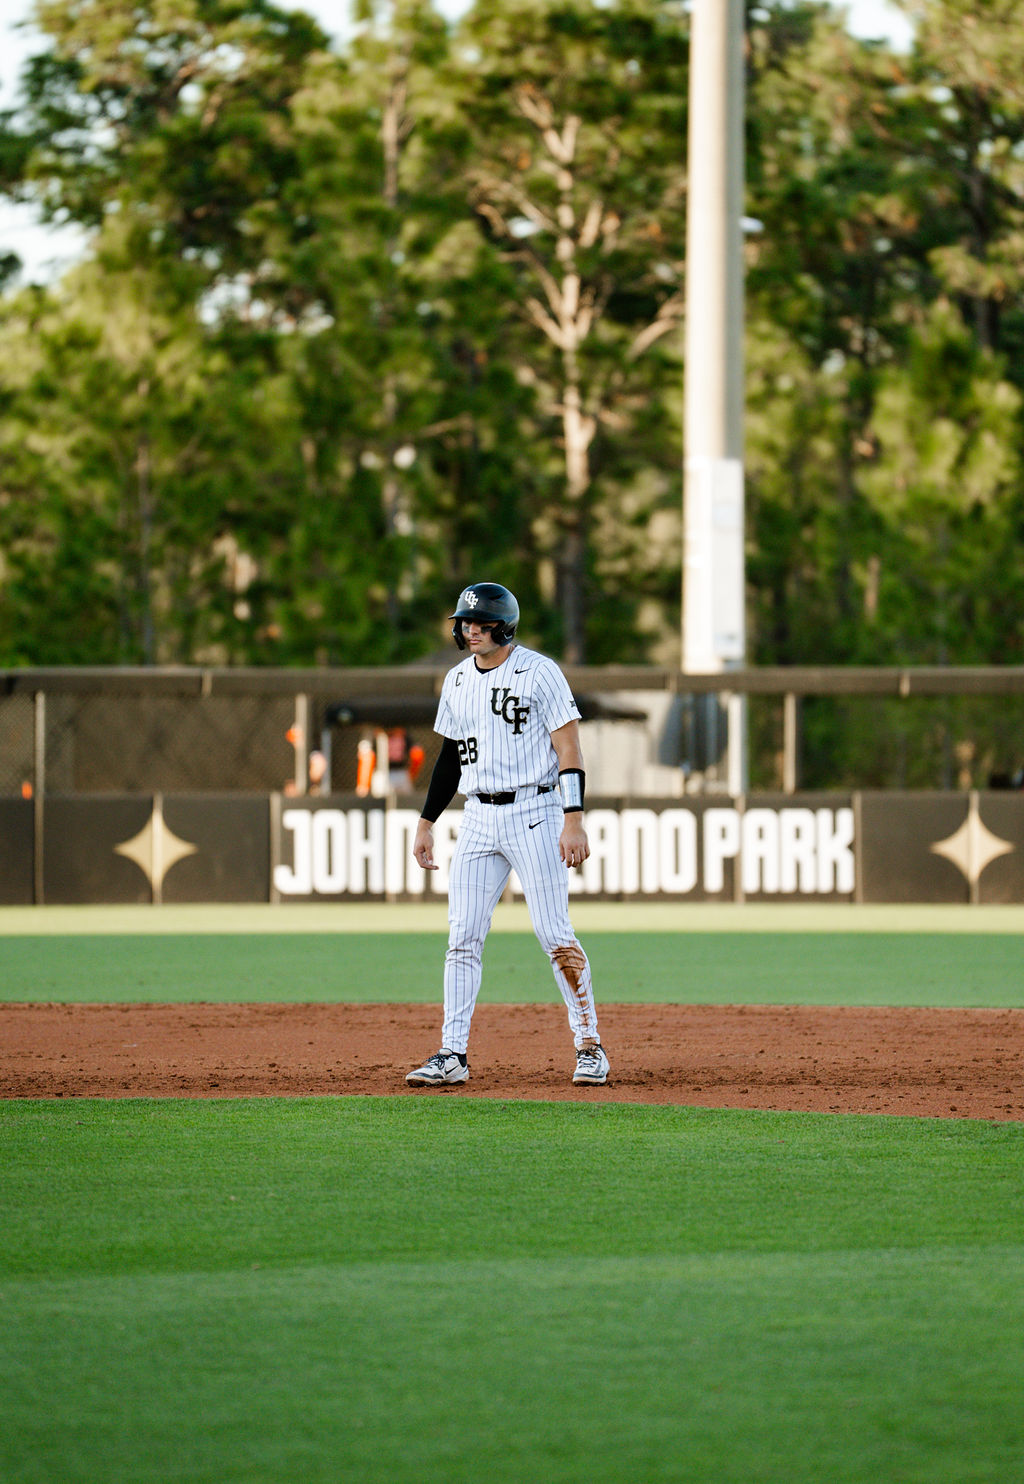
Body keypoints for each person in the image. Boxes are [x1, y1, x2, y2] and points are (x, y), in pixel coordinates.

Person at [406, 581, 609, 1088]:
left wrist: (574, 817)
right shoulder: (456, 680)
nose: (471, 629)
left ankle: (590, 1046)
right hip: (478, 816)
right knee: (462, 936)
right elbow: (450, 759)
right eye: (465, 622)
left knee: (554, 934)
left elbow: (569, 750)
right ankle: (452, 1053)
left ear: (505, 626)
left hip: (535, 810)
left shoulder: (540, 671)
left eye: (481, 622)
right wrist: (427, 821)